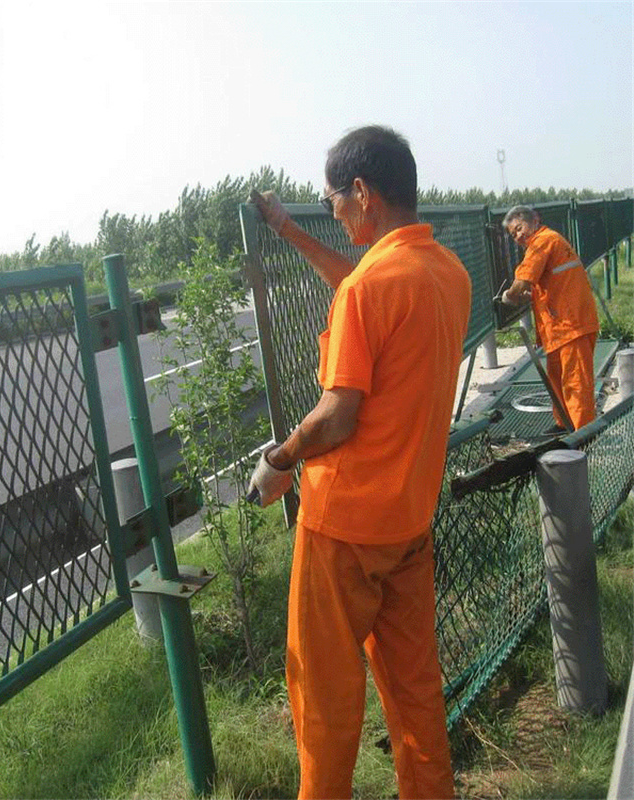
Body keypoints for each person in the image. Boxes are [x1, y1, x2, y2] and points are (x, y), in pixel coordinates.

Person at [247, 125, 471, 800]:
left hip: (343, 531)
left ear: (363, 192)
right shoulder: (447, 274)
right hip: (408, 523)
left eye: (334, 202)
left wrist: (280, 460)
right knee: (415, 693)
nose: (335, 214)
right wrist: (288, 229)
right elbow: (358, 283)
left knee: (324, 703)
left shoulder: (369, 290)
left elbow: (338, 414)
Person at [501, 205, 599, 431]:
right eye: (513, 234)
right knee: (557, 380)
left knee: (576, 384)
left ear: (533, 221)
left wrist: (509, 296)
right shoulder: (548, 241)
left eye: (519, 228)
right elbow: (551, 282)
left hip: (571, 325)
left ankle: (583, 434)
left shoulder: (542, 241)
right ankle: (564, 424)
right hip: (559, 327)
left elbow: (523, 279)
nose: (518, 236)